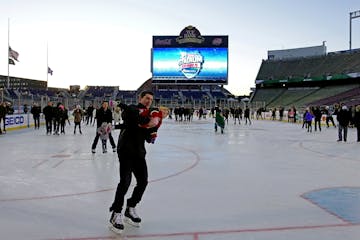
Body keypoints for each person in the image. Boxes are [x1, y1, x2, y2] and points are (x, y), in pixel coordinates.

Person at [109, 91, 160, 233]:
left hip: (139, 151)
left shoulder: (150, 114)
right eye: (146, 98)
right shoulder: (132, 109)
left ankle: (130, 207)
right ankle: (116, 213)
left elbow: (147, 133)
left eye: (151, 99)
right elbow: (131, 119)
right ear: (141, 98)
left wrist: (152, 133)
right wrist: (150, 122)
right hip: (125, 150)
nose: (149, 101)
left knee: (143, 181)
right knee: (125, 181)